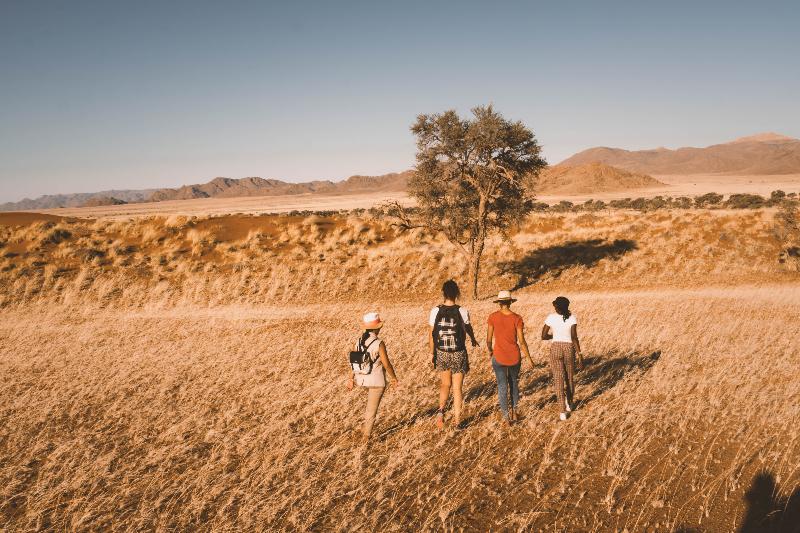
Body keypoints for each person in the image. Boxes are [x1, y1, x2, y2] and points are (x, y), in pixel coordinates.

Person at [429, 280, 478, 429]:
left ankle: (441, 411)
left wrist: (432, 353)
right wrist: (473, 339)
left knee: (445, 384)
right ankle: (457, 421)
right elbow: (468, 328)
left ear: (443, 293)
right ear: (457, 293)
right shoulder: (462, 311)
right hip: (459, 352)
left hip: (442, 352)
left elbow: (431, 335)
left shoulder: (435, 311)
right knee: (457, 388)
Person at [347, 312, 400, 443]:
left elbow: (353, 362)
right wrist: (394, 378)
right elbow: (386, 364)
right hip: (376, 381)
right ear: (378, 328)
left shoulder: (358, 341)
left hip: (362, 379)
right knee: (372, 410)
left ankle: (365, 430)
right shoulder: (379, 343)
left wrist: (350, 378)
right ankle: (366, 437)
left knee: (368, 408)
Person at [486, 290, 533, 424]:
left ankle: (506, 416)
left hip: (498, 356)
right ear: (510, 302)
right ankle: (515, 412)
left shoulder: (492, 317)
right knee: (514, 383)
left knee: (502, 386)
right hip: (514, 356)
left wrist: (490, 350)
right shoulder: (517, 318)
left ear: (499, 303)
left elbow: (488, 340)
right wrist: (529, 358)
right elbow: (522, 341)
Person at [541, 296, 584, 421]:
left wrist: (554, 336)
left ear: (556, 307)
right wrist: (580, 355)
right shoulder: (572, 318)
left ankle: (562, 411)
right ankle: (569, 403)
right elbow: (574, 337)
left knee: (558, 379)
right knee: (569, 377)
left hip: (555, 348)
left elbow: (543, 336)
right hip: (569, 348)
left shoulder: (551, 317)